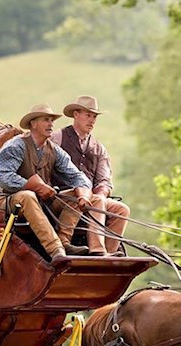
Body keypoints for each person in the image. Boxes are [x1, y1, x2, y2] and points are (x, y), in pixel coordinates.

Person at [0, 104, 109, 259]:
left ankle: (64, 242)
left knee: (75, 193)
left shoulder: (54, 149)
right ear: (33, 124)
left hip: (43, 202)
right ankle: (56, 250)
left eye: (52, 121)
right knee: (28, 196)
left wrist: (83, 195)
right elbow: (4, 177)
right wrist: (37, 187)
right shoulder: (16, 146)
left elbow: (77, 176)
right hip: (11, 201)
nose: (51, 124)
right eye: (46, 120)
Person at [52, 95, 129, 256]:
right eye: (88, 115)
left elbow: (104, 180)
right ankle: (97, 250)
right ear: (76, 114)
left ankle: (110, 253)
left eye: (94, 117)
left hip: (92, 200)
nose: (92, 121)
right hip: (62, 197)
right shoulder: (57, 138)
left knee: (122, 210)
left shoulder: (98, 148)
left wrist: (98, 195)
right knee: (96, 199)